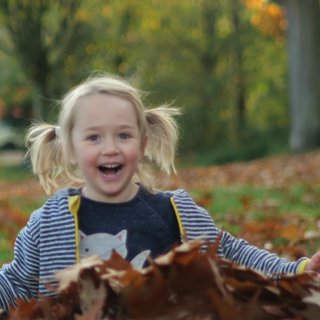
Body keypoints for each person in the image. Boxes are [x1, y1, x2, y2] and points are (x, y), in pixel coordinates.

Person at [1, 73, 320, 311]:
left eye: (123, 135)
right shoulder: (50, 223)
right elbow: (16, 281)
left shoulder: (174, 213)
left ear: (143, 144)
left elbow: (233, 257)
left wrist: (296, 272)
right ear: (70, 149)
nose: (110, 148)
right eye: (94, 138)